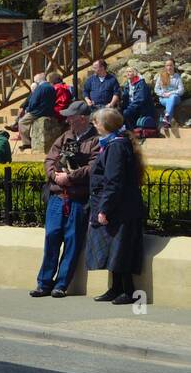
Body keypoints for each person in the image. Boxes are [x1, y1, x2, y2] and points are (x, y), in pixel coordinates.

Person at [33, 101, 100, 298]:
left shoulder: (95, 140)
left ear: (82, 118)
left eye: (71, 116)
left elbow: (94, 167)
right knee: (52, 236)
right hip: (57, 197)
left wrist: (70, 177)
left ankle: (61, 284)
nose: (67, 119)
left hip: (78, 199)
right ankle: (44, 283)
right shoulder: (65, 136)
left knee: (72, 240)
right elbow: (49, 160)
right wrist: (54, 175)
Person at [85, 107, 146, 305]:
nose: (94, 125)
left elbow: (114, 181)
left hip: (121, 209)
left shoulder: (117, 146)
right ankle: (116, 288)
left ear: (105, 125)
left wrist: (104, 208)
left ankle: (129, 291)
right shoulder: (112, 144)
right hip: (117, 208)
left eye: (96, 122)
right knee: (113, 250)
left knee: (122, 251)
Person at [17, 72, 56, 151]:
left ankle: (26, 143)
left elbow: (33, 102)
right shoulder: (51, 87)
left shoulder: (40, 88)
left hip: (38, 112)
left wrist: (27, 109)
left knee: (21, 122)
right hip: (49, 111)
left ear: (37, 81)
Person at [153, 58, 183, 130]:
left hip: (176, 98)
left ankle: (166, 117)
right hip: (164, 99)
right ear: (165, 66)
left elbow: (181, 90)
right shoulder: (161, 76)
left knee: (172, 97)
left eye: (171, 65)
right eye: (167, 65)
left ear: (174, 66)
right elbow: (156, 89)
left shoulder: (177, 76)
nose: (169, 67)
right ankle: (167, 121)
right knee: (170, 99)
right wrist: (163, 94)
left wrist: (170, 93)